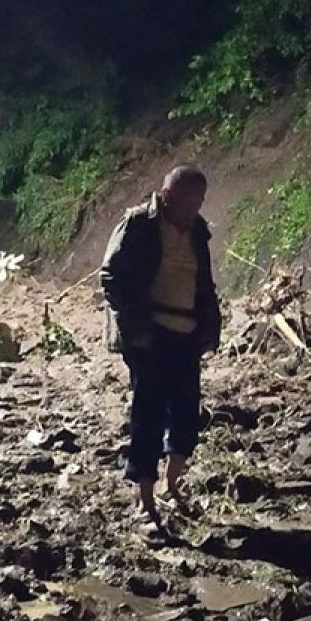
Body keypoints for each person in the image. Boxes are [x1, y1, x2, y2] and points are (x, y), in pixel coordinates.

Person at [100, 164, 221, 532]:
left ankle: (172, 485)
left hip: (186, 333)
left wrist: (210, 326)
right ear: (166, 195)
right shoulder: (139, 224)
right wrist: (137, 328)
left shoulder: (198, 231)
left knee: (186, 412)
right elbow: (111, 276)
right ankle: (145, 502)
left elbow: (205, 283)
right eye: (186, 199)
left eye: (198, 200)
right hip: (150, 334)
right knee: (148, 414)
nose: (193, 206)